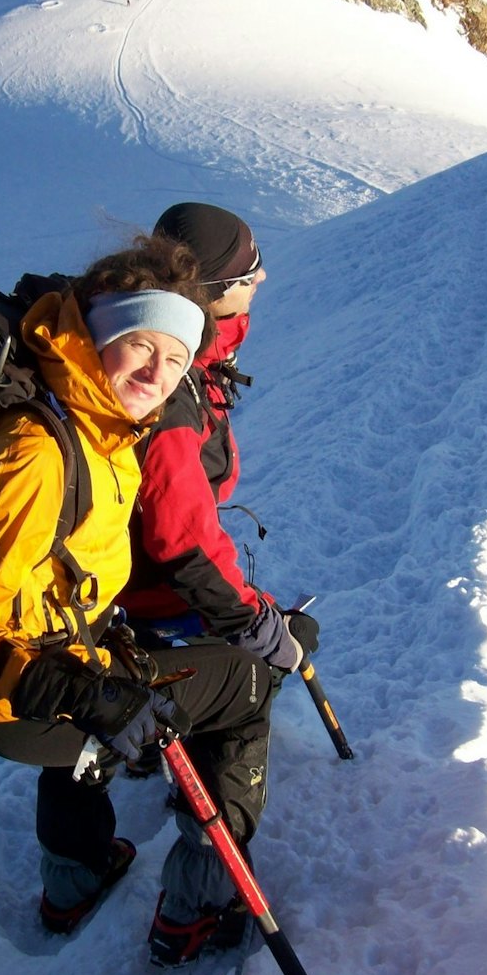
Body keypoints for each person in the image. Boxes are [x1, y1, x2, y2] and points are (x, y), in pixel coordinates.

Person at [0, 235, 275, 966]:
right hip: (8, 696)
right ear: (101, 336)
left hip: (48, 662)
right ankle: (200, 904)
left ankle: (74, 879)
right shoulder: (36, 453)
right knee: (243, 684)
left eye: (176, 359)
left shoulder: (97, 417)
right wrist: (94, 698)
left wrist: (96, 681)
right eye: (142, 346)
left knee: (111, 669)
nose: (157, 373)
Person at [119, 202, 320, 679]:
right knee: (253, 677)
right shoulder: (166, 386)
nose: (263, 277)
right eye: (248, 273)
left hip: (140, 583)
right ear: (214, 292)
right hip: (144, 597)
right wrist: (257, 624)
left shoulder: (168, 349)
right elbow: (181, 541)